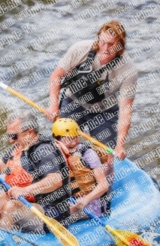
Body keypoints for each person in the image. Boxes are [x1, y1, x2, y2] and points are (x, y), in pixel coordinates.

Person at [47, 20, 137, 161]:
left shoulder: (128, 70)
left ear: (120, 46)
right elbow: (56, 76)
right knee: (63, 148)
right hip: (74, 102)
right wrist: (53, 105)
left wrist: (120, 145)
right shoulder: (79, 49)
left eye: (111, 45)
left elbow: (126, 110)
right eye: (102, 42)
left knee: (104, 156)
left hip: (104, 111)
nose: (105, 49)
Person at [0, 111, 71, 233]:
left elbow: (55, 180)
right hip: (34, 206)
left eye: (14, 136)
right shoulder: (22, 146)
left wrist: (24, 190)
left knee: (11, 207)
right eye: (8, 136)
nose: (10, 140)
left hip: (52, 214)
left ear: (30, 132)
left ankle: (1, 243)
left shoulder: (43, 150)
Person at [52, 118, 110, 219]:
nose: (74, 143)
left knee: (55, 216)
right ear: (57, 140)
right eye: (69, 139)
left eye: (76, 137)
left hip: (92, 205)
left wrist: (86, 199)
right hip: (71, 202)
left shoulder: (88, 154)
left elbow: (104, 185)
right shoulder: (54, 156)